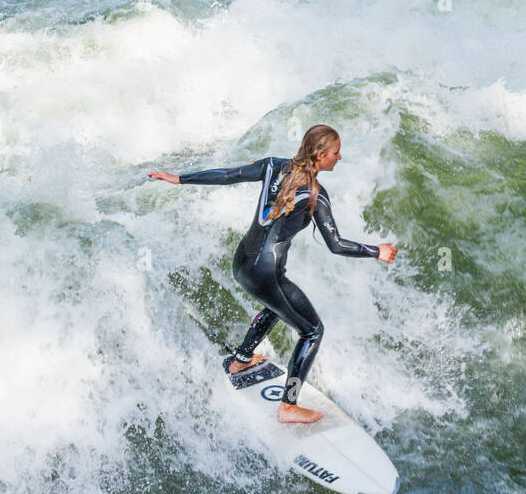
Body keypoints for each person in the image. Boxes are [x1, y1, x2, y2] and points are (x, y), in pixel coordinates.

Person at [147, 124, 398, 424]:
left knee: (278, 304)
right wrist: (376, 251)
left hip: (242, 263)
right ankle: (289, 405)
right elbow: (336, 245)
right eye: (335, 153)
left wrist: (179, 179)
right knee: (312, 331)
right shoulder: (316, 194)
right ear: (319, 156)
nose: (339, 157)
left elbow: (228, 176)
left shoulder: (272, 166)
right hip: (266, 274)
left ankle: (241, 360)